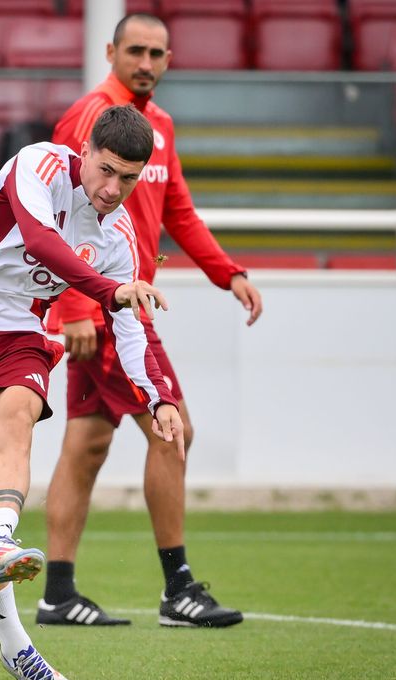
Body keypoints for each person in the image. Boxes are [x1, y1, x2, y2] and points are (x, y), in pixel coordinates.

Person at [0, 105, 184, 680]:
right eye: (106, 171)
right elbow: (39, 239)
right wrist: (110, 290)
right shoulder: (36, 164)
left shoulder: (119, 238)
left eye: (129, 179)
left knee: (18, 421)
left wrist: (159, 398)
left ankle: (3, 540)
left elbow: (130, 329)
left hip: (18, 336)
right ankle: (15, 647)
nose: (113, 190)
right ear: (85, 151)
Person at [37, 13, 264, 629]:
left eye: (157, 52)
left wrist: (228, 272)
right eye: (135, 50)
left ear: (169, 59)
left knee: (86, 444)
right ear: (110, 51)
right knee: (175, 429)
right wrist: (77, 307)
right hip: (108, 309)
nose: (146, 61)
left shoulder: (158, 126)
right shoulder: (90, 118)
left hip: (116, 306)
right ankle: (178, 589)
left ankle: (57, 592)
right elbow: (59, 216)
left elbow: (179, 211)